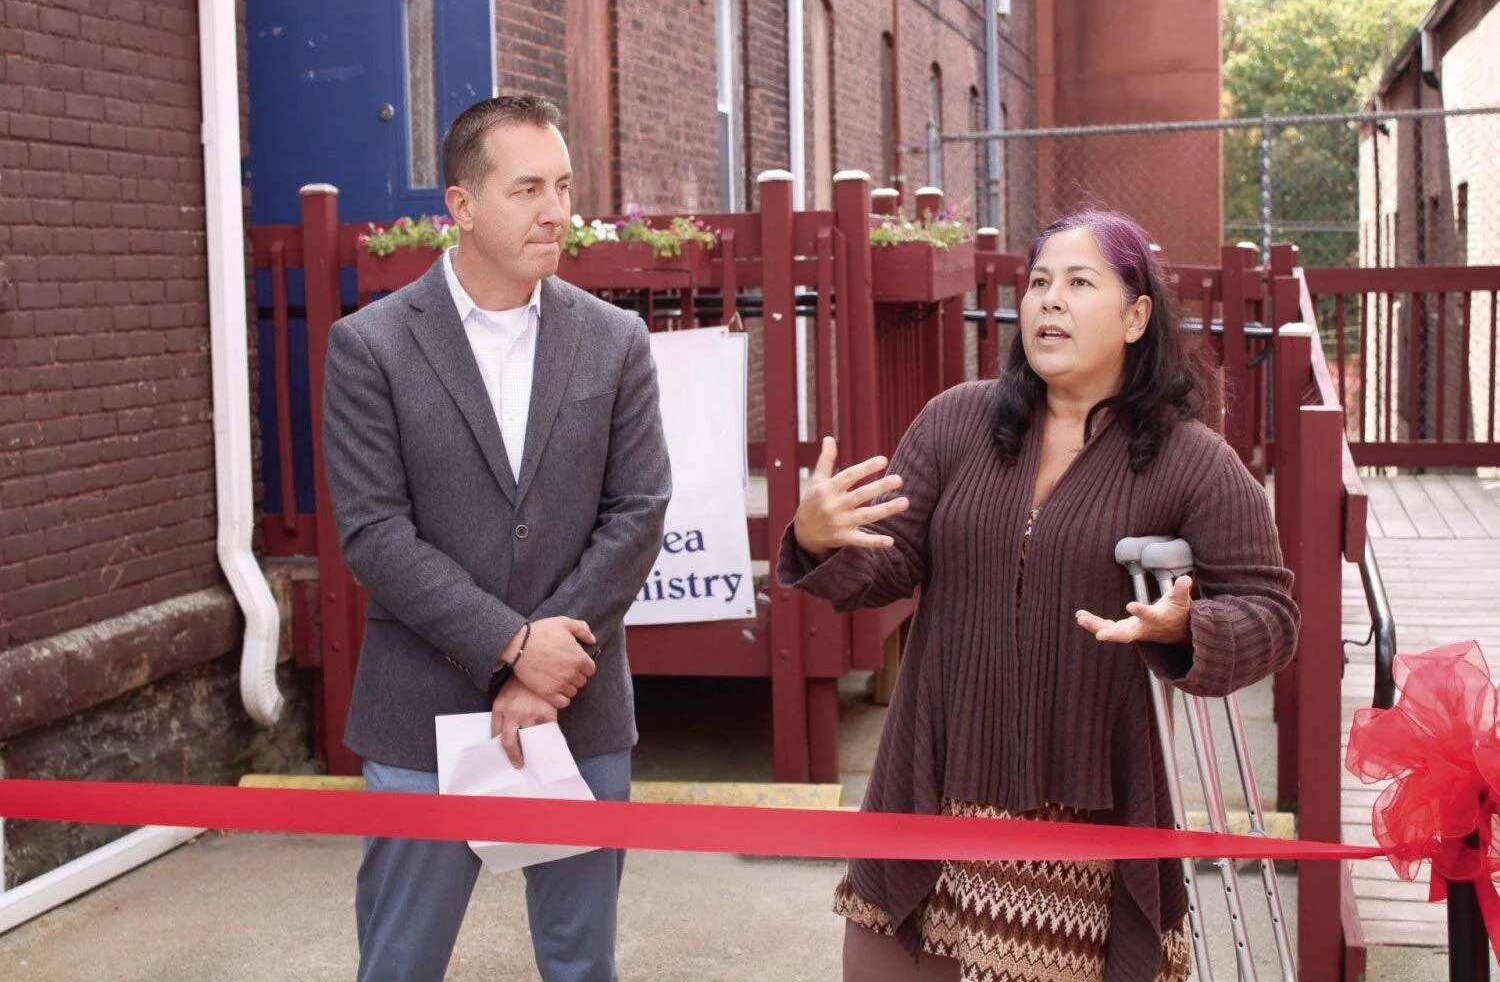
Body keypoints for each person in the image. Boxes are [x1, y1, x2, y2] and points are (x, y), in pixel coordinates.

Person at [781, 209, 1299, 981]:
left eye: (1079, 283)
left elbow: (1272, 612)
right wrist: (819, 537)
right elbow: (886, 570)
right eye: (1040, 283)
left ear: (1135, 317)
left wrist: (1191, 625)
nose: (1049, 301)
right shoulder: (958, 422)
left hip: (1081, 818)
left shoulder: (1191, 460)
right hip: (931, 785)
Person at [321, 94, 671, 982]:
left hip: (580, 709)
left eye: (562, 185)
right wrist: (513, 647)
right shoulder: (370, 347)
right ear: (463, 207)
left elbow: (638, 512)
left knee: (580, 963)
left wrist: (549, 667)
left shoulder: (615, 340)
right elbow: (373, 534)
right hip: (420, 716)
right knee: (399, 963)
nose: (556, 210)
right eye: (527, 189)